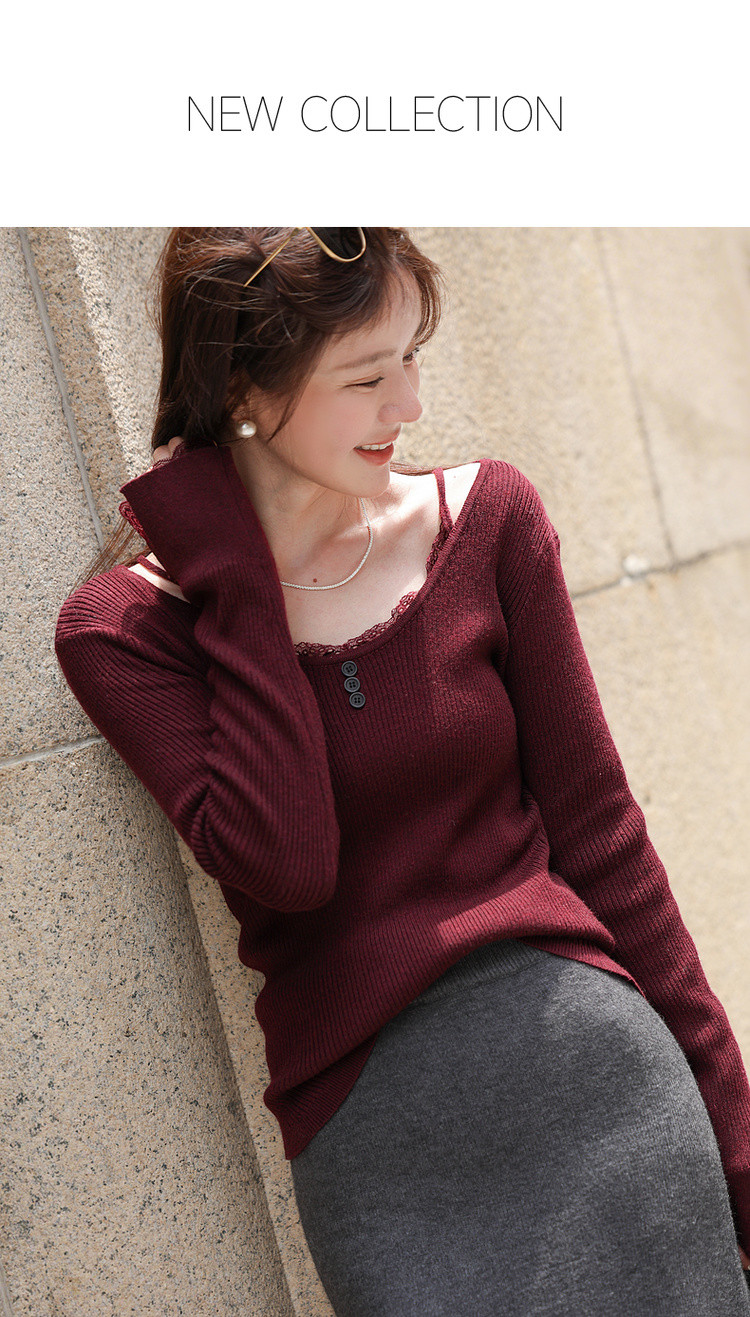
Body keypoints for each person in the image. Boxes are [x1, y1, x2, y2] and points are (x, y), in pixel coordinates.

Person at [55, 227, 750, 1316]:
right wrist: (238, 568)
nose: (411, 405)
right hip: (382, 1159)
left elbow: (607, 841)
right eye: (367, 376)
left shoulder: (487, 521)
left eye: (411, 358)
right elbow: (288, 864)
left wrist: (740, 1152)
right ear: (244, 387)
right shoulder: (124, 632)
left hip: (600, 1088)